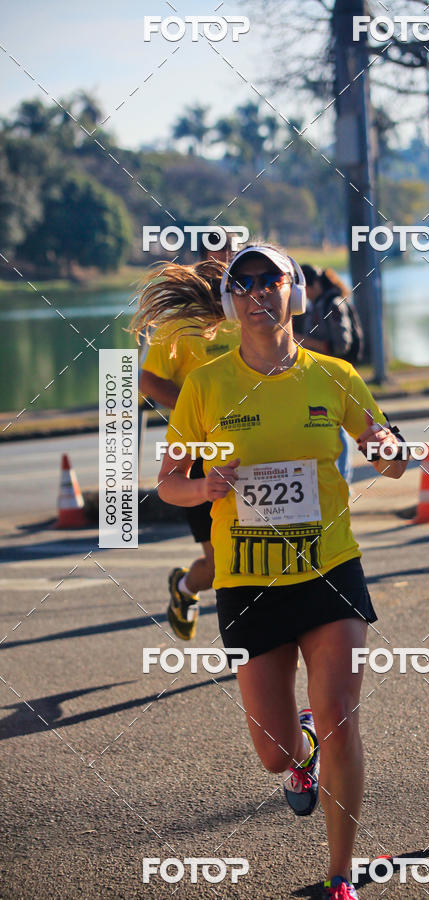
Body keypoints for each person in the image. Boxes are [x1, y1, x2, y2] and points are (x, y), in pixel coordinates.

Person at [140, 243, 408, 899]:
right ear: (232, 302)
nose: (260, 291)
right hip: (248, 581)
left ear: (296, 292)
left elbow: (387, 451)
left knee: (342, 715)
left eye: (272, 279)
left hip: (329, 570)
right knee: (274, 753)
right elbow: (169, 483)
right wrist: (203, 490)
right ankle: (301, 752)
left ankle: (339, 875)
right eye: (246, 282)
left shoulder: (335, 375)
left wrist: (395, 453)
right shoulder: (205, 386)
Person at [136, 244, 240, 640]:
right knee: (217, 565)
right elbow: (147, 381)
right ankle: (185, 587)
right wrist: (196, 409)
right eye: (222, 256)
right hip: (201, 456)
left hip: (253, 449)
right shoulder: (179, 326)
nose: (227, 264)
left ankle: (266, 650)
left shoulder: (247, 315)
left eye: (233, 256)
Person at [297, 265, 364, 485]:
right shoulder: (314, 305)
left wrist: (304, 342)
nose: (302, 293)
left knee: (338, 426)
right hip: (317, 374)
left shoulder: (333, 304)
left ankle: (342, 480)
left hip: (336, 374)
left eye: (304, 287)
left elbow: (340, 346)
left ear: (313, 284)